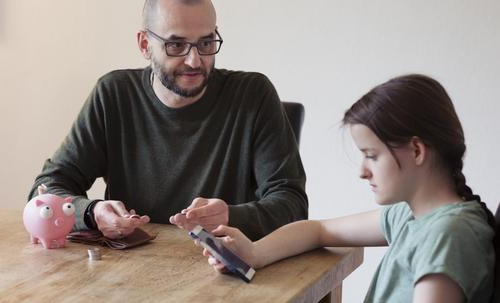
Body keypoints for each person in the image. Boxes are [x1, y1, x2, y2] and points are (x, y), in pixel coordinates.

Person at [28, 0, 308, 241]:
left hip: (223, 270)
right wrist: (91, 213)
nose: (194, 61)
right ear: (144, 44)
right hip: (128, 274)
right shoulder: (113, 94)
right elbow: (46, 189)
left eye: (206, 43)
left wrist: (232, 216)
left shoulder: (252, 95)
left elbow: (293, 205)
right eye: (176, 45)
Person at [202, 74, 496, 302]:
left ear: (417, 150)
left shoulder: (448, 236)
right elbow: (317, 231)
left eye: (371, 155)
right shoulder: (410, 217)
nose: (362, 171)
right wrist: (254, 253)